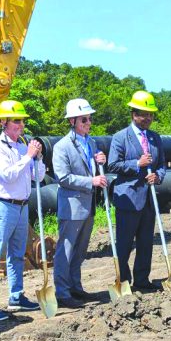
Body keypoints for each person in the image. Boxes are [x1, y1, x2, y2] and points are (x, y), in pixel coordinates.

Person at [0, 100, 46, 322]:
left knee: (17, 254)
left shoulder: (22, 146)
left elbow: (38, 176)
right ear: (4, 122)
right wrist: (28, 156)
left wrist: (37, 158)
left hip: (22, 206)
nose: (21, 125)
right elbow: (8, 174)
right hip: (3, 205)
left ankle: (16, 296)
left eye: (22, 121)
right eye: (16, 120)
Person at [51, 98, 108, 308]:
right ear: (72, 121)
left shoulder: (91, 143)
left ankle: (75, 287)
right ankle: (62, 292)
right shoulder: (62, 147)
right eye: (84, 119)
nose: (88, 123)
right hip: (72, 206)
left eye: (89, 119)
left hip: (88, 205)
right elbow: (63, 177)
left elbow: (92, 168)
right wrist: (91, 181)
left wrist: (101, 161)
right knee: (65, 250)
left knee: (81, 250)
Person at [107, 90, 166, 291]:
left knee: (146, 242)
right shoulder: (120, 137)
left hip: (149, 199)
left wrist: (157, 176)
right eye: (143, 114)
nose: (147, 118)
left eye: (150, 115)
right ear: (133, 114)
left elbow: (162, 166)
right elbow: (113, 165)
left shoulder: (155, 138)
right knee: (124, 244)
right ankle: (123, 281)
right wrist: (137, 164)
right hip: (128, 198)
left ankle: (142, 280)